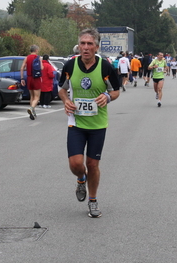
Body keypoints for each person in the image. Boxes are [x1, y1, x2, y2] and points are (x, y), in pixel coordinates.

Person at [58, 28, 120, 218]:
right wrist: (66, 101)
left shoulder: (105, 67)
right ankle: (80, 178)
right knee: (76, 164)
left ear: (96, 47)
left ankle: (92, 201)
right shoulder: (70, 65)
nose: (85, 48)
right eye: (82, 44)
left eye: (89, 44)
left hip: (97, 125)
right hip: (76, 123)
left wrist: (107, 97)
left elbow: (117, 91)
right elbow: (61, 89)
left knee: (93, 164)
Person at [20, 45, 43, 120]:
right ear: (36, 50)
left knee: (32, 96)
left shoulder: (27, 58)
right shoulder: (38, 57)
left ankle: (33, 113)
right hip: (36, 78)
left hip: (29, 78)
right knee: (37, 97)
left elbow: (22, 68)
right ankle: (32, 108)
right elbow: (42, 68)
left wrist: (22, 78)